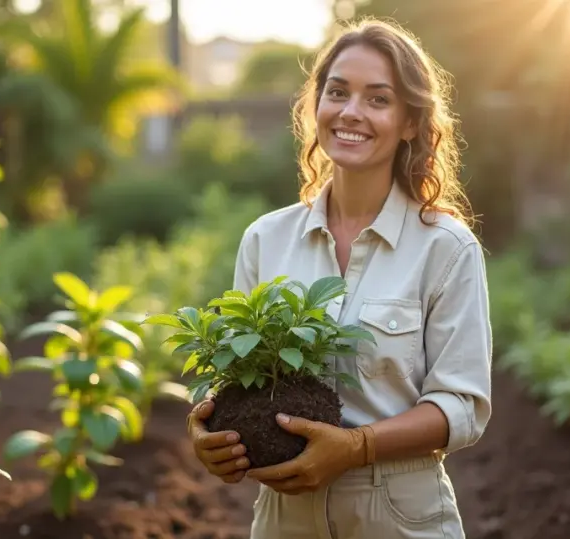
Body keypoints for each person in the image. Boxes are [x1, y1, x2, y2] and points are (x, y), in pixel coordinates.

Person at [185, 16, 492, 539]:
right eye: (338, 92)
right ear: (317, 106)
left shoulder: (446, 247)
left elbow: (462, 408)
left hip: (399, 514)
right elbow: (239, 374)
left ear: (410, 122)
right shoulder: (266, 238)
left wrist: (356, 446)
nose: (352, 112)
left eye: (378, 99)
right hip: (284, 519)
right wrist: (208, 429)